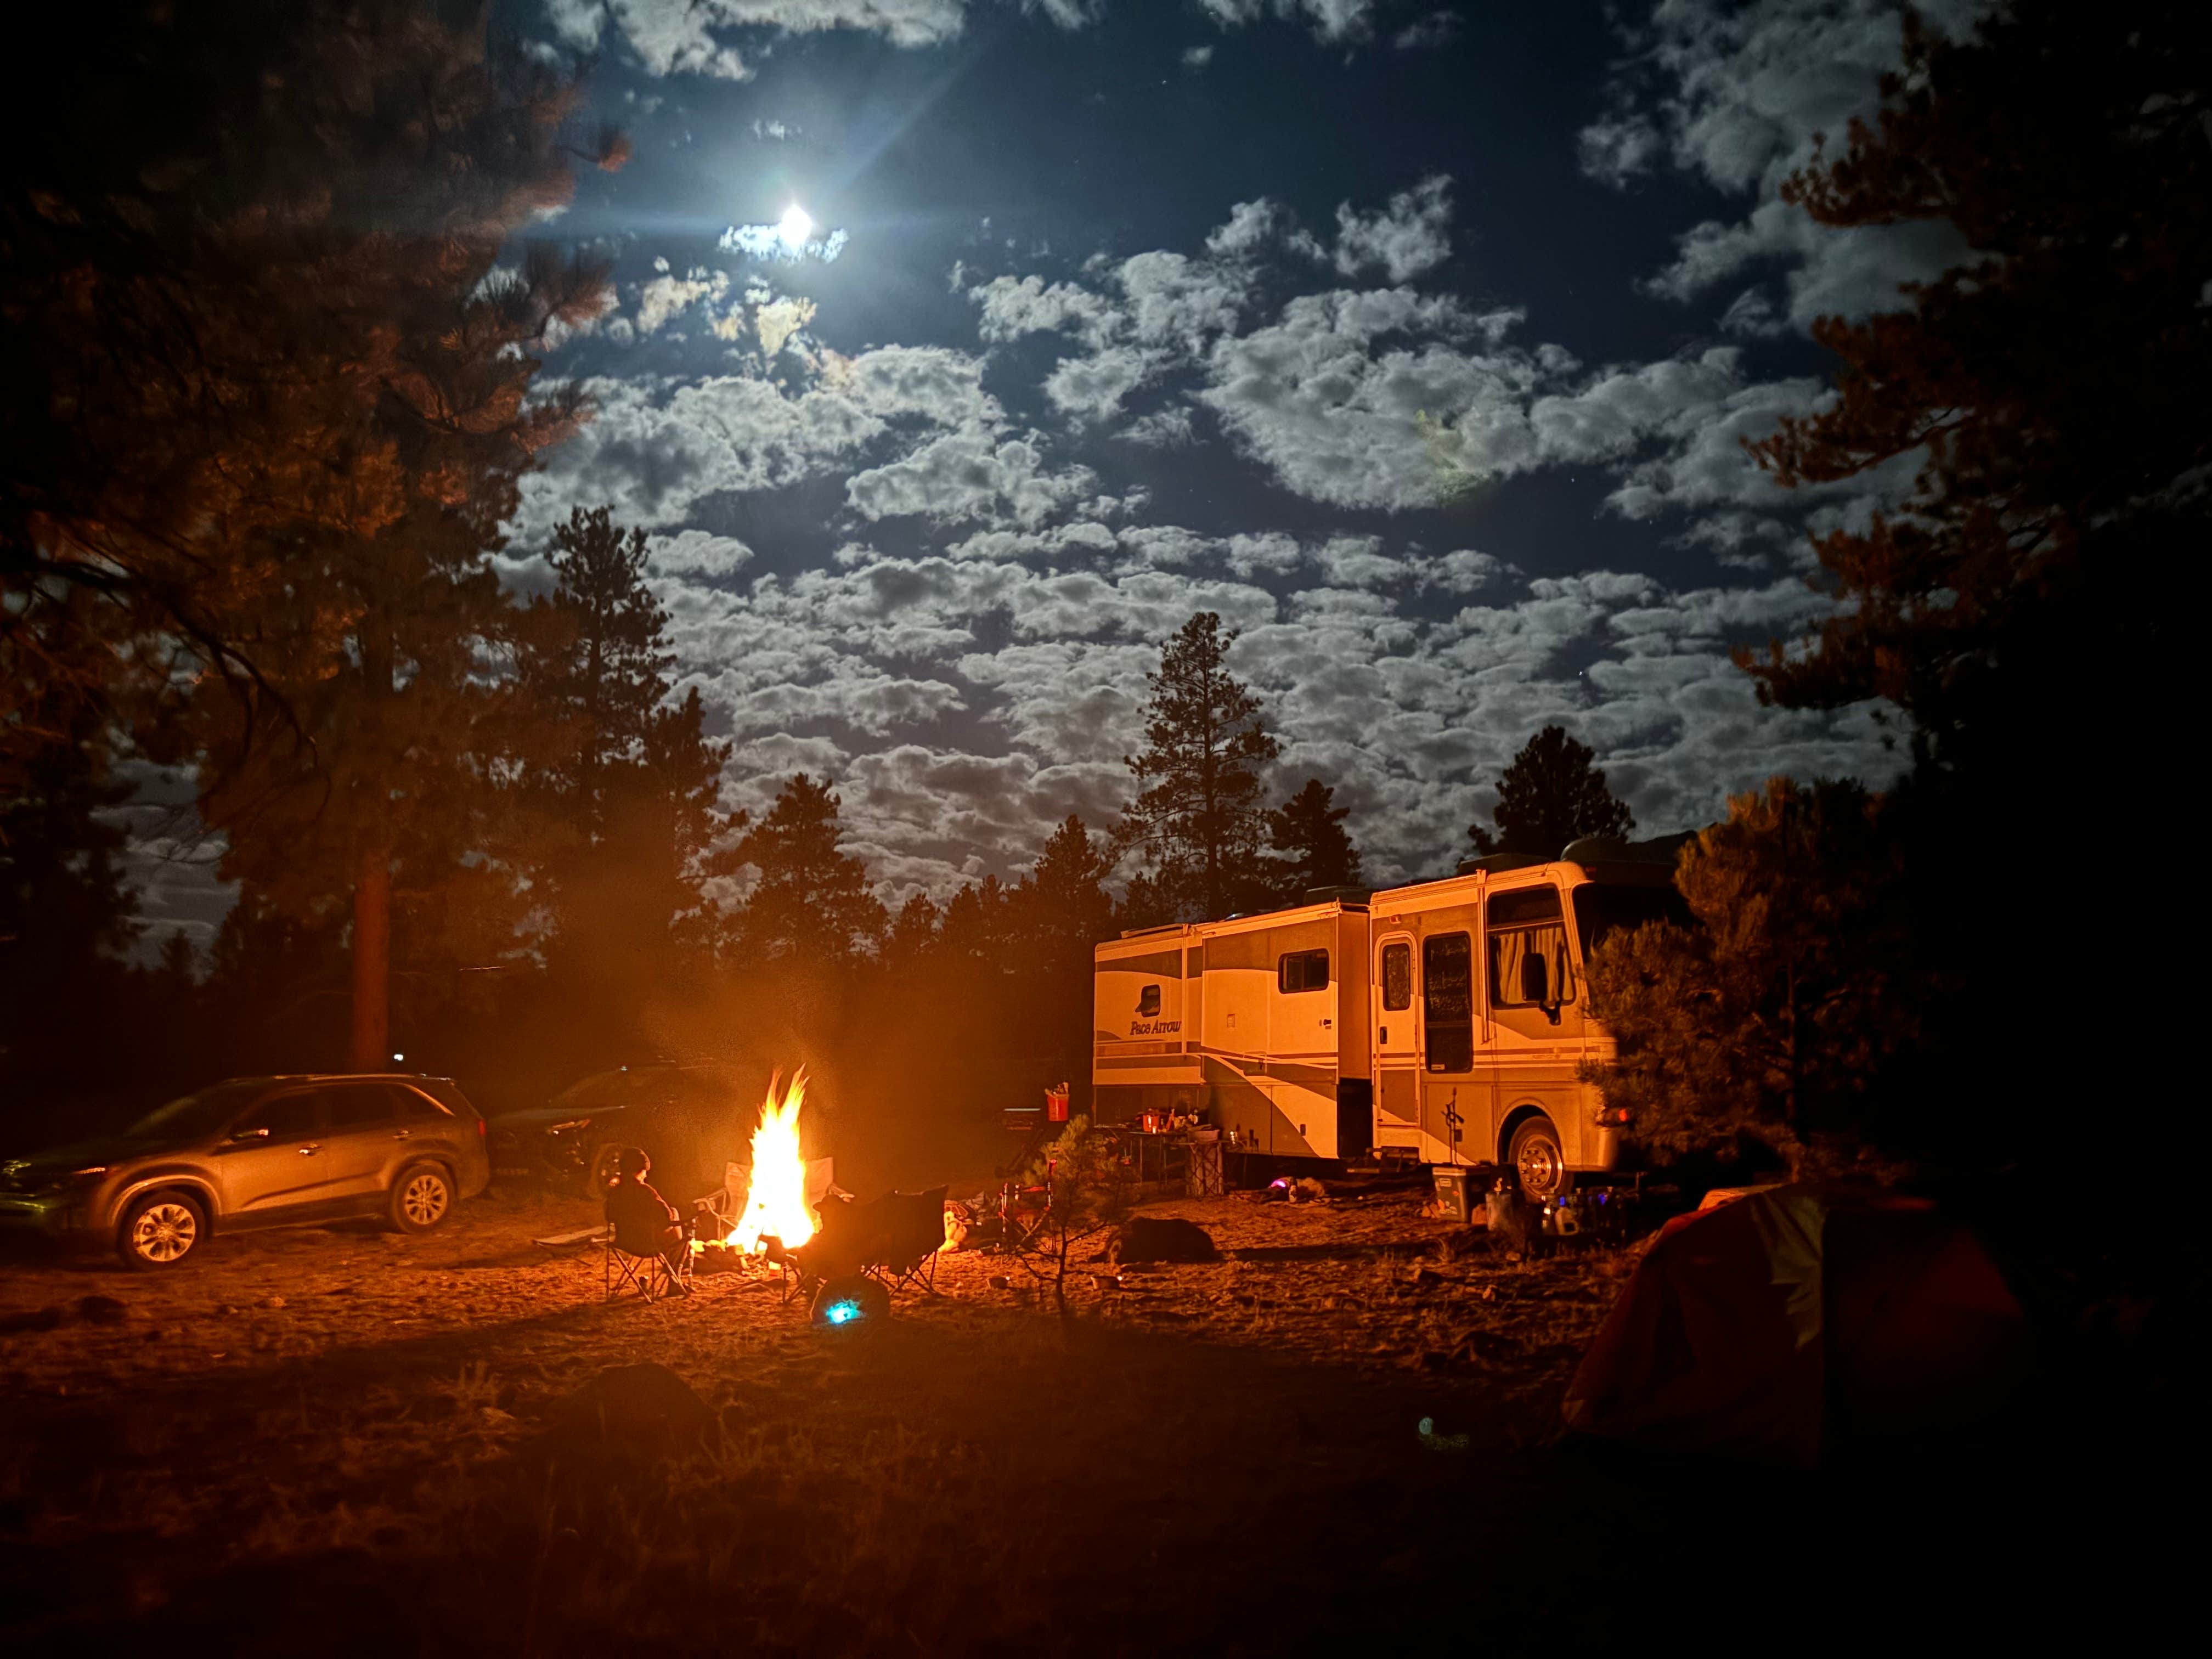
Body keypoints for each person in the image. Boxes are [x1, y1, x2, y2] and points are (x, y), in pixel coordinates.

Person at [605, 1146, 690, 1291]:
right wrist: (677, 1217)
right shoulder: (645, 1192)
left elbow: (608, 1216)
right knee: (681, 1233)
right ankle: (674, 1281)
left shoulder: (614, 1193)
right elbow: (666, 1220)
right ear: (640, 1170)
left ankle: (673, 1280)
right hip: (647, 1245)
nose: (646, 1176)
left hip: (622, 1242)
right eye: (645, 1171)